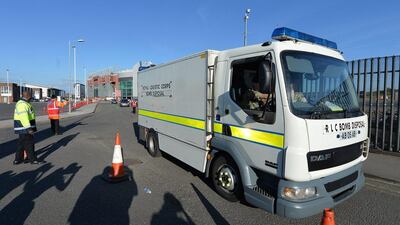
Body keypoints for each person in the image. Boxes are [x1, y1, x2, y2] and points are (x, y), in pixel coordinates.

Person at [13, 91, 42, 164]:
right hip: (25, 128)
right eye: (31, 96)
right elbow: (24, 117)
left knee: (22, 144)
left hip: (23, 128)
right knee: (29, 144)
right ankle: (32, 159)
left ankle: (18, 159)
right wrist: (29, 128)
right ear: (28, 96)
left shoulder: (24, 103)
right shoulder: (23, 104)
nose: (31, 98)